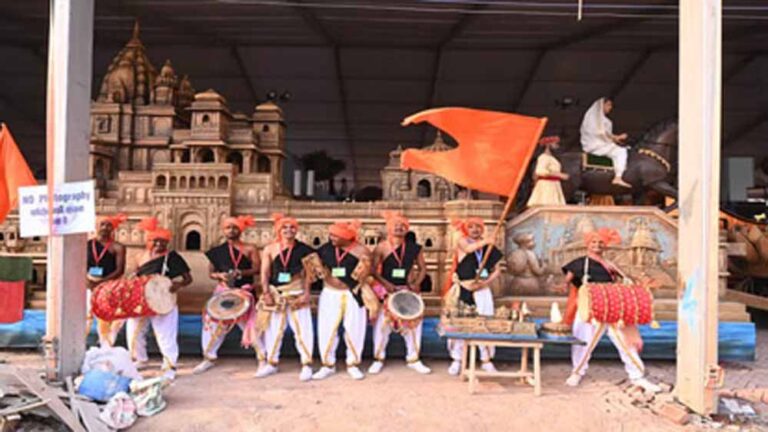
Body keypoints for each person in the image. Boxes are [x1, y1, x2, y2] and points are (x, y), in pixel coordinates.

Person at [561, 228, 661, 393]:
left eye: (601, 242)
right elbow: (566, 283)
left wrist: (641, 282)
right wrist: (561, 287)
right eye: (594, 242)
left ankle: (637, 376)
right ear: (588, 244)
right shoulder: (579, 263)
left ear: (605, 245)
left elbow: (625, 280)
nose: (597, 245)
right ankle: (577, 372)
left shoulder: (610, 264)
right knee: (582, 341)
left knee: (626, 341)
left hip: (612, 308)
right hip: (589, 308)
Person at [193, 215, 262, 375]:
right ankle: (208, 358)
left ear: (240, 230)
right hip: (223, 291)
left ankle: (263, 358)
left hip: (243, 291)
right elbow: (211, 273)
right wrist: (220, 275)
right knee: (213, 324)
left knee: (251, 325)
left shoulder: (250, 248)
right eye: (228, 227)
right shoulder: (217, 251)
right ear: (223, 230)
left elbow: (257, 269)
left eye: (234, 227)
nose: (231, 230)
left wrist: (241, 272)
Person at [126, 217, 192, 381]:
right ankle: (139, 359)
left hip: (164, 299)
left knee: (165, 334)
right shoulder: (140, 256)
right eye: (155, 241)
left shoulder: (172, 257)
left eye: (162, 241)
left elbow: (188, 279)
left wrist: (178, 285)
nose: (158, 244)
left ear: (167, 243)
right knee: (134, 330)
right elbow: (132, 276)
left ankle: (169, 365)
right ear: (148, 241)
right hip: (141, 298)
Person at [369, 212, 431, 375]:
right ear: (389, 228)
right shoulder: (381, 247)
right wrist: (385, 284)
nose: (399, 228)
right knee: (382, 327)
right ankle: (378, 359)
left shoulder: (414, 248)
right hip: (387, 291)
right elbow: (373, 270)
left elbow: (423, 268)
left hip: (408, 291)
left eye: (402, 225)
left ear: (407, 229)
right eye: (395, 225)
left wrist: (416, 283)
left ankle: (413, 359)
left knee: (413, 326)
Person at [257, 213, 317, 381]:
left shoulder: (305, 250)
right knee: (274, 330)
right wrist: (266, 293)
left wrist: (306, 293)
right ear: (278, 230)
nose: (288, 230)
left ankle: (306, 364)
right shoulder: (270, 249)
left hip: (297, 294)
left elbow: (309, 274)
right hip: (277, 294)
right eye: (284, 227)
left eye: (292, 227)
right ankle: (272, 363)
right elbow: (264, 273)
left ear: (296, 230)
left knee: (303, 330)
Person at [312, 220, 371, 381]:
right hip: (330, 294)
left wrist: (364, 269)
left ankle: (353, 364)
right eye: (331, 235)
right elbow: (314, 268)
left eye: (335, 236)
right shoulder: (325, 250)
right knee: (327, 329)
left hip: (352, 293)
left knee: (354, 329)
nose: (331, 238)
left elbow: (366, 274)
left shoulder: (361, 250)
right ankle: (327, 365)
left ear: (346, 237)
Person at [445, 218, 503, 376]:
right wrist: (486, 241)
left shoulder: (489, 247)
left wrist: (485, 283)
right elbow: (469, 249)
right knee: (459, 323)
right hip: (464, 287)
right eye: (471, 227)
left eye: (478, 227)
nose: (475, 230)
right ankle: (457, 359)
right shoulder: (462, 241)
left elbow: (497, 270)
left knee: (485, 322)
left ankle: (486, 360)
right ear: (466, 229)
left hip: (482, 289)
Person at [86, 214, 127, 347]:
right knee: (85, 316)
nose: (105, 227)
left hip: (108, 286)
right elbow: (78, 264)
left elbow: (119, 270)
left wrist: (101, 283)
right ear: (96, 226)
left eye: (109, 225)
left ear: (113, 228)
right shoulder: (87, 245)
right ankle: (77, 345)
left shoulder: (118, 247)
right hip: (88, 284)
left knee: (105, 317)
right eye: (102, 224)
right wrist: (87, 281)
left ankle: (106, 346)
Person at [580, 97, 632, 188]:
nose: (610, 108)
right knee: (620, 151)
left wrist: (617, 139)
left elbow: (607, 136)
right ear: (602, 105)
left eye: (611, 106)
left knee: (626, 148)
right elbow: (600, 133)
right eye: (608, 105)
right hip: (594, 145)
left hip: (603, 144)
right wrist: (617, 137)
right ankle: (618, 177)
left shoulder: (607, 121)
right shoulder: (593, 119)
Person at [527, 136, 568, 206]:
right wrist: (559, 175)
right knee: (547, 203)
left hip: (554, 185)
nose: (557, 146)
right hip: (547, 186)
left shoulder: (552, 158)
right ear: (548, 145)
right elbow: (540, 171)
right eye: (555, 144)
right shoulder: (543, 157)